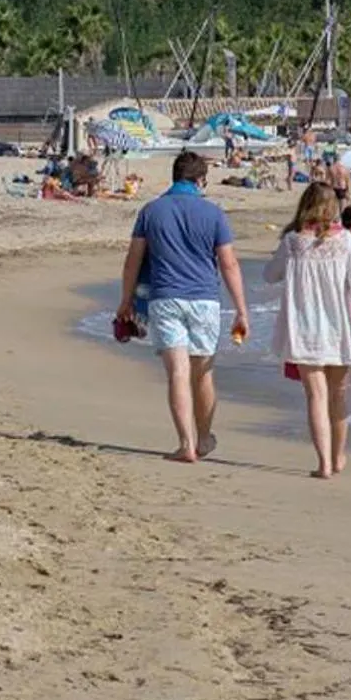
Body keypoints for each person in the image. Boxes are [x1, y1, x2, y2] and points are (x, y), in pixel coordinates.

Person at [116, 150, 248, 464]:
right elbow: (228, 264)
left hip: (164, 298)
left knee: (178, 372)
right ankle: (203, 438)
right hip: (204, 300)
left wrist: (126, 300)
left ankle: (186, 444)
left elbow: (133, 260)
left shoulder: (151, 211)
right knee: (202, 374)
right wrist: (241, 309)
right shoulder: (213, 213)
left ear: (175, 176)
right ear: (200, 180)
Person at [266, 181, 351, 479]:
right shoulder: (346, 241)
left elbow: (270, 275)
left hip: (303, 329)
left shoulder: (293, 240)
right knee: (338, 396)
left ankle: (324, 464)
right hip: (337, 329)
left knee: (316, 396)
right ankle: (338, 456)